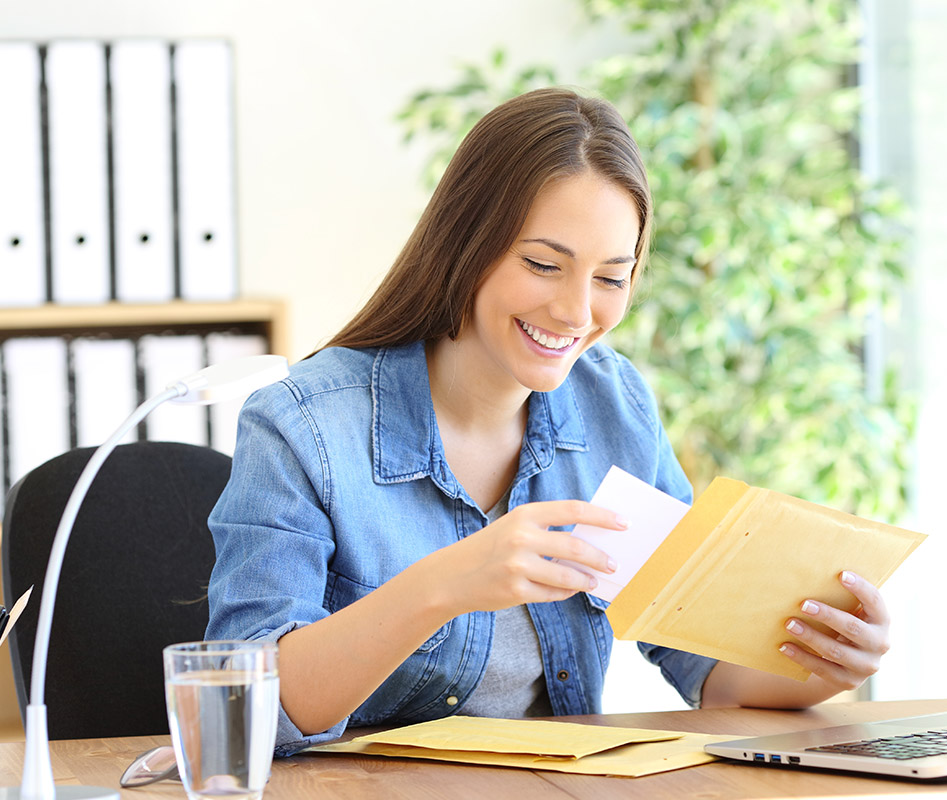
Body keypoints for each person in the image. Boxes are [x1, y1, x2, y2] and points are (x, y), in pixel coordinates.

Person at [205, 87, 892, 757]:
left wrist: (825, 666)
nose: (575, 311)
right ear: (466, 244)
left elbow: (697, 658)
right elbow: (245, 710)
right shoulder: (302, 426)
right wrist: (445, 584)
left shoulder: (613, 404)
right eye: (543, 264)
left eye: (611, 278)